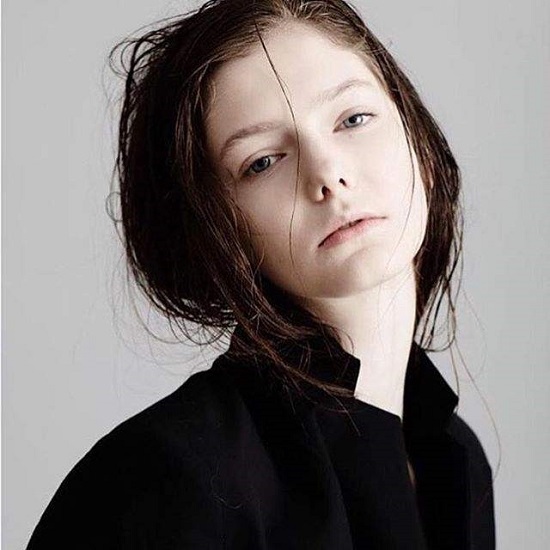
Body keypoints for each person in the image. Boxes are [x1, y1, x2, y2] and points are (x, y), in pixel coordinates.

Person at [26, 0, 496, 548]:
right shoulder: (167, 480)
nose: (328, 174)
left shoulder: (457, 460)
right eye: (262, 162)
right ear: (219, 233)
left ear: (422, 146)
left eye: (353, 119)